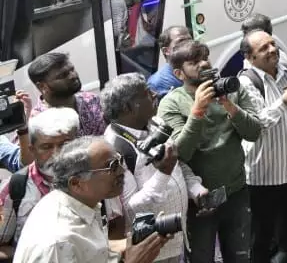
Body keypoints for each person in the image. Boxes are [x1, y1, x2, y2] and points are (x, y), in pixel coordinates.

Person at [158, 40, 261, 262]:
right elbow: (180, 153)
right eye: (194, 62)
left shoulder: (230, 89)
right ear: (179, 73)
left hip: (236, 191)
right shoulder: (171, 103)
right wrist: (197, 111)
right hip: (200, 201)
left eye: (205, 58)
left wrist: (228, 105)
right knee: (201, 258)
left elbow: (254, 132)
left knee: (240, 256)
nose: (204, 64)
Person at [13, 135, 168, 263]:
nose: (122, 170)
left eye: (120, 161)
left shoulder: (79, 203)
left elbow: (92, 250)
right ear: (77, 183)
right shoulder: (58, 243)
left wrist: (138, 243)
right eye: (112, 166)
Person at [100, 73, 195, 263]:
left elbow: (177, 166)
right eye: (146, 93)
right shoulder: (115, 149)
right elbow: (130, 210)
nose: (154, 94)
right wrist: (163, 174)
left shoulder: (154, 124)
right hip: (152, 251)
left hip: (176, 240)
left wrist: (195, 188)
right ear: (128, 107)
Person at [237, 29, 287, 263]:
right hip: (265, 176)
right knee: (261, 236)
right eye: (264, 48)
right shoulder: (246, 83)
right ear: (250, 57)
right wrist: (285, 99)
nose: (272, 50)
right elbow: (258, 124)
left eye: (272, 44)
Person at [0, 108, 79, 255]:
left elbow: (115, 229)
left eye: (64, 145)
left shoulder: (97, 177)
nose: (56, 154)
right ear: (32, 150)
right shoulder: (14, 189)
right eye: (47, 147)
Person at [28, 53, 106, 136]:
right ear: (42, 86)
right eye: (63, 75)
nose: (73, 76)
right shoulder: (37, 122)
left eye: (72, 69)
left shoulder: (91, 99)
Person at [146, 26, 193, 99]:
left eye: (190, 40)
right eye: (181, 42)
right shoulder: (157, 83)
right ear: (166, 51)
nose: (189, 45)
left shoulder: (195, 69)